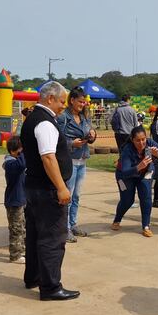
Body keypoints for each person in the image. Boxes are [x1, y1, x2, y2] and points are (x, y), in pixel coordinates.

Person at [20, 81, 79, 301]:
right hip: (47, 190)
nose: (64, 106)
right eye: (62, 101)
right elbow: (48, 157)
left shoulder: (33, 118)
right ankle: (51, 286)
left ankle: (33, 277)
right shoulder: (44, 123)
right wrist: (62, 187)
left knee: (35, 235)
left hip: (35, 187)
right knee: (53, 238)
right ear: (50, 99)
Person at [111, 126, 158, 237]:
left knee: (146, 198)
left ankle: (146, 226)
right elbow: (126, 171)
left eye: (143, 139)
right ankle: (117, 220)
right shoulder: (127, 149)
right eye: (138, 140)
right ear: (132, 140)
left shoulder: (151, 143)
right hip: (124, 176)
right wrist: (138, 167)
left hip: (145, 174)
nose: (141, 142)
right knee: (127, 200)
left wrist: (157, 155)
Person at [56, 87, 96, 242]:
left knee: (77, 196)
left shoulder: (84, 117)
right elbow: (57, 140)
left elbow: (89, 133)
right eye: (80, 101)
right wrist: (72, 143)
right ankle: (64, 228)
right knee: (69, 196)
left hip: (82, 160)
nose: (83, 104)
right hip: (69, 161)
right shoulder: (62, 118)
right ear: (71, 100)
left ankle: (72, 225)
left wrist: (92, 135)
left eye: (84, 102)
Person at [3, 136, 27, 263]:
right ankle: (15, 254)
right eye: (20, 150)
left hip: (23, 199)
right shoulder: (10, 163)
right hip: (14, 202)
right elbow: (22, 164)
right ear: (13, 151)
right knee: (16, 229)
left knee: (24, 228)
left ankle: (23, 250)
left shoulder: (17, 161)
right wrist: (24, 151)